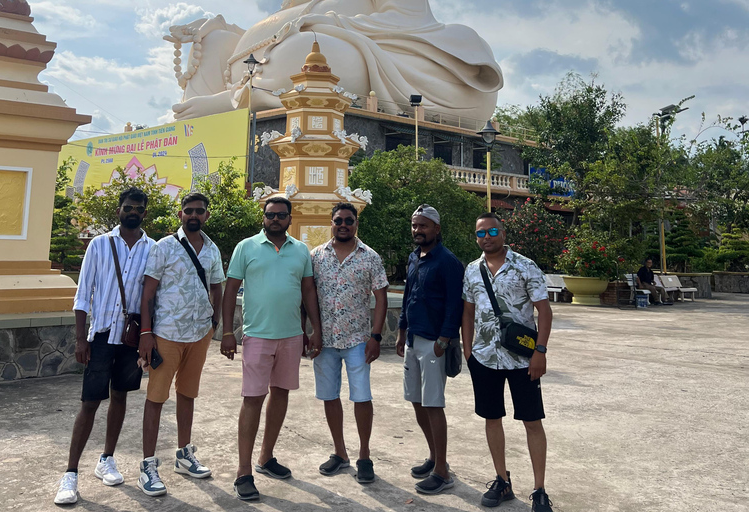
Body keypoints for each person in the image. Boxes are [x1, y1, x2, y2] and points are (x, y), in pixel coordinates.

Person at [168, 0, 503, 121]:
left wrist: (331, 22)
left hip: (390, 55)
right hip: (269, 63)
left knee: (309, 47)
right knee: (214, 38)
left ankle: (248, 99)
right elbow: (257, 44)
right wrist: (216, 33)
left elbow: (406, 22)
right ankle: (238, 101)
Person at [54, 188, 153, 505]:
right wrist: (81, 338)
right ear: (119, 210)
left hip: (130, 339)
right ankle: (70, 474)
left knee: (120, 397)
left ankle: (107, 458)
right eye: (128, 207)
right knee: (89, 403)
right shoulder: (99, 245)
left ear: (144, 213)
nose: (132, 211)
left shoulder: (152, 249)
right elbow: (83, 296)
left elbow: (151, 297)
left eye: (138, 208)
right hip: (100, 337)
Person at [221, 196, 323, 501]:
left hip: (291, 336)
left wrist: (313, 329)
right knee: (252, 399)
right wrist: (228, 331)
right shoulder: (246, 247)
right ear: (263, 218)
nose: (275, 219)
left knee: (281, 393)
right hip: (257, 336)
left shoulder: (301, 250)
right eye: (270, 215)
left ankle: (265, 457)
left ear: (290, 219)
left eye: (281, 215)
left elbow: (308, 291)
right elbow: (229, 292)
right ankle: (243, 472)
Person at [460, 213, 554, 512]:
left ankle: (539, 489)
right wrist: (468, 351)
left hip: (522, 359)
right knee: (492, 417)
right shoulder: (472, 270)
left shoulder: (525, 266)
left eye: (492, 231)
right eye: (480, 233)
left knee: (531, 421)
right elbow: (467, 311)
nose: (486, 237)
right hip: (484, 357)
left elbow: (544, 311)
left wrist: (540, 351)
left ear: (503, 232)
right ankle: (502, 480)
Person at [136, 192, 225, 497]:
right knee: (156, 398)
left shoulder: (212, 249)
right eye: (188, 211)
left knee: (187, 394)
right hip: (166, 334)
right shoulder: (165, 247)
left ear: (206, 215)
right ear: (180, 214)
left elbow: (217, 287)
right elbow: (148, 293)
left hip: (198, 334)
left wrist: (213, 324)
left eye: (199, 211)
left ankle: (183, 454)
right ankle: (147, 465)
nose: (193, 215)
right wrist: (145, 333)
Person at [310, 203, 389, 484]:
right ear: (330, 223)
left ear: (356, 224)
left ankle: (364, 455)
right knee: (329, 395)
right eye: (338, 220)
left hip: (358, 340)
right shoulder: (316, 256)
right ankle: (340, 452)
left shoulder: (370, 257)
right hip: (326, 341)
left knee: (362, 396)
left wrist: (376, 336)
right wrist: (310, 332)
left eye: (348, 220)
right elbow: (307, 297)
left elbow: (380, 298)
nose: (343, 224)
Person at [396, 204, 464, 495]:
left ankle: (443, 471)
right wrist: (401, 331)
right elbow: (409, 295)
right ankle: (434, 456)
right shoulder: (414, 258)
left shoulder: (448, 262)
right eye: (414, 226)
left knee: (434, 404)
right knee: (416, 401)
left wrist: (445, 340)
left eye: (423, 226)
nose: (417, 231)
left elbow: (455, 304)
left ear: (436, 228)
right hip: (413, 339)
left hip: (435, 343)